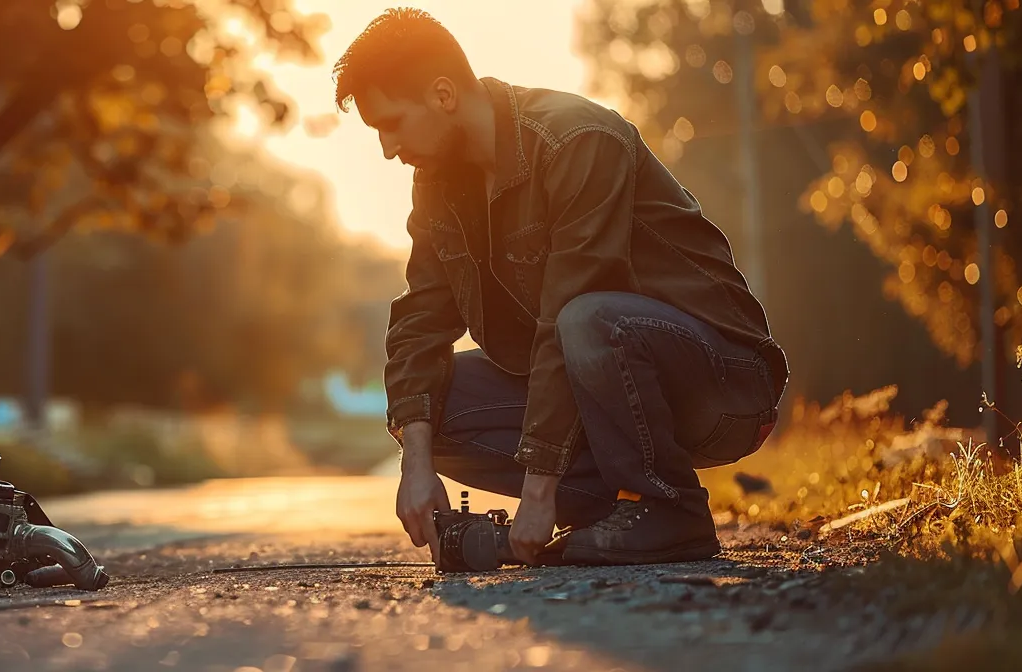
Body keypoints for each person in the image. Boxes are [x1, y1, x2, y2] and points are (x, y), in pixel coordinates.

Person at [333, 8, 789, 567]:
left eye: (391, 123)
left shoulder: (577, 138)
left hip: (722, 382)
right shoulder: (437, 185)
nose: (386, 147)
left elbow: (568, 313)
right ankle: (618, 511)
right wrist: (416, 460)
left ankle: (670, 508)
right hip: (594, 387)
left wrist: (537, 488)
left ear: (444, 94)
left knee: (586, 319)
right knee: (430, 406)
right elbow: (420, 319)